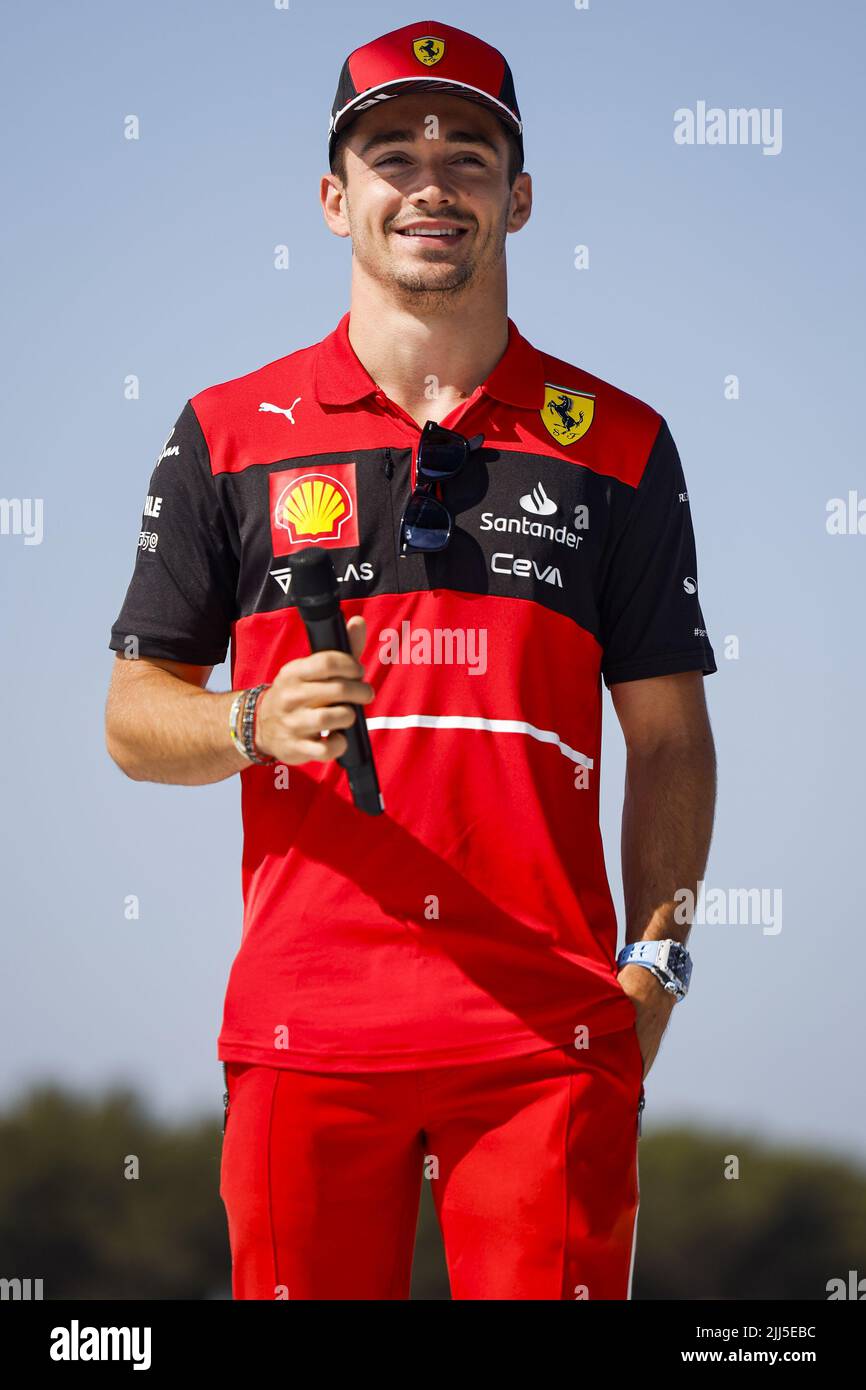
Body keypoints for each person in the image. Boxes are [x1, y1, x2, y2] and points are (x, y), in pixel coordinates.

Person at [105, 18, 717, 1300]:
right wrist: (247, 720)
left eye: (470, 157)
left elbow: (665, 737)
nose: (430, 185)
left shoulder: (618, 439)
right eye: (391, 155)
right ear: (335, 200)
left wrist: (655, 968)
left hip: (548, 1040)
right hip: (303, 1031)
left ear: (520, 197)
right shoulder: (226, 430)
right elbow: (131, 717)